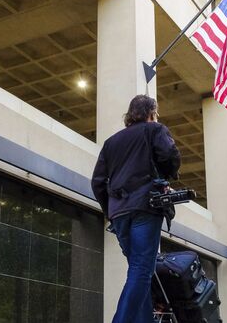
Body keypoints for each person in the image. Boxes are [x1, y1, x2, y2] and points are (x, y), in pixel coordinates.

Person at [92, 94, 180, 323]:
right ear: (151, 113)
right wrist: (166, 174)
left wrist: (109, 211)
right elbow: (170, 156)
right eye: (156, 113)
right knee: (141, 270)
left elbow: (97, 182)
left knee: (140, 270)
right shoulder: (155, 130)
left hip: (119, 213)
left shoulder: (111, 142)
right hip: (145, 207)